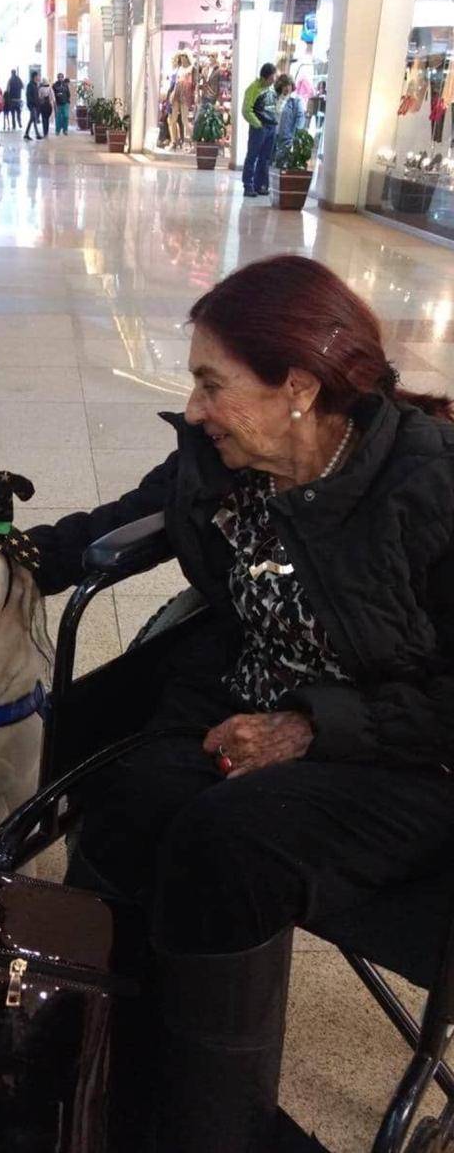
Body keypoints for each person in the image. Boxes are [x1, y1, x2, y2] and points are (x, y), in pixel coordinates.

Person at [28, 254, 454, 1153]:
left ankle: (212, 1130)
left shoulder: (429, 488)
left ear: (296, 387)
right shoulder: (228, 466)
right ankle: (107, 1071)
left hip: (403, 752)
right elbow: (139, 508)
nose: (192, 407)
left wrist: (308, 727)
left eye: (210, 383)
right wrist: (26, 555)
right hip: (247, 694)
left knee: (223, 844)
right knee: (121, 798)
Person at [241, 61, 278, 198]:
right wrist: (258, 124)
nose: (274, 80)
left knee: (265, 158)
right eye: (272, 77)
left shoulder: (271, 89)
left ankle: (260, 185)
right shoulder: (253, 89)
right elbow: (246, 110)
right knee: (252, 156)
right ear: (265, 77)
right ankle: (248, 186)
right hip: (259, 128)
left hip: (271, 127)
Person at [275, 72, 307, 156]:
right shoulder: (275, 99)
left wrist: (295, 137)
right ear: (280, 87)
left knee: (282, 163)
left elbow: (300, 120)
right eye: (284, 85)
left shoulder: (296, 101)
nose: (287, 87)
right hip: (273, 136)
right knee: (270, 164)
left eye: (289, 85)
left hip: (287, 139)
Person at [24, 70, 41, 141]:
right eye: (37, 76)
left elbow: (36, 96)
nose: (38, 77)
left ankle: (26, 134)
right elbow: (28, 95)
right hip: (32, 105)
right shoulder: (30, 85)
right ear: (34, 76)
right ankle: (37, 134)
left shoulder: (35, 84)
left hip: (35, 105)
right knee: (33, 119)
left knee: (32, 119)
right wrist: (33, 103)